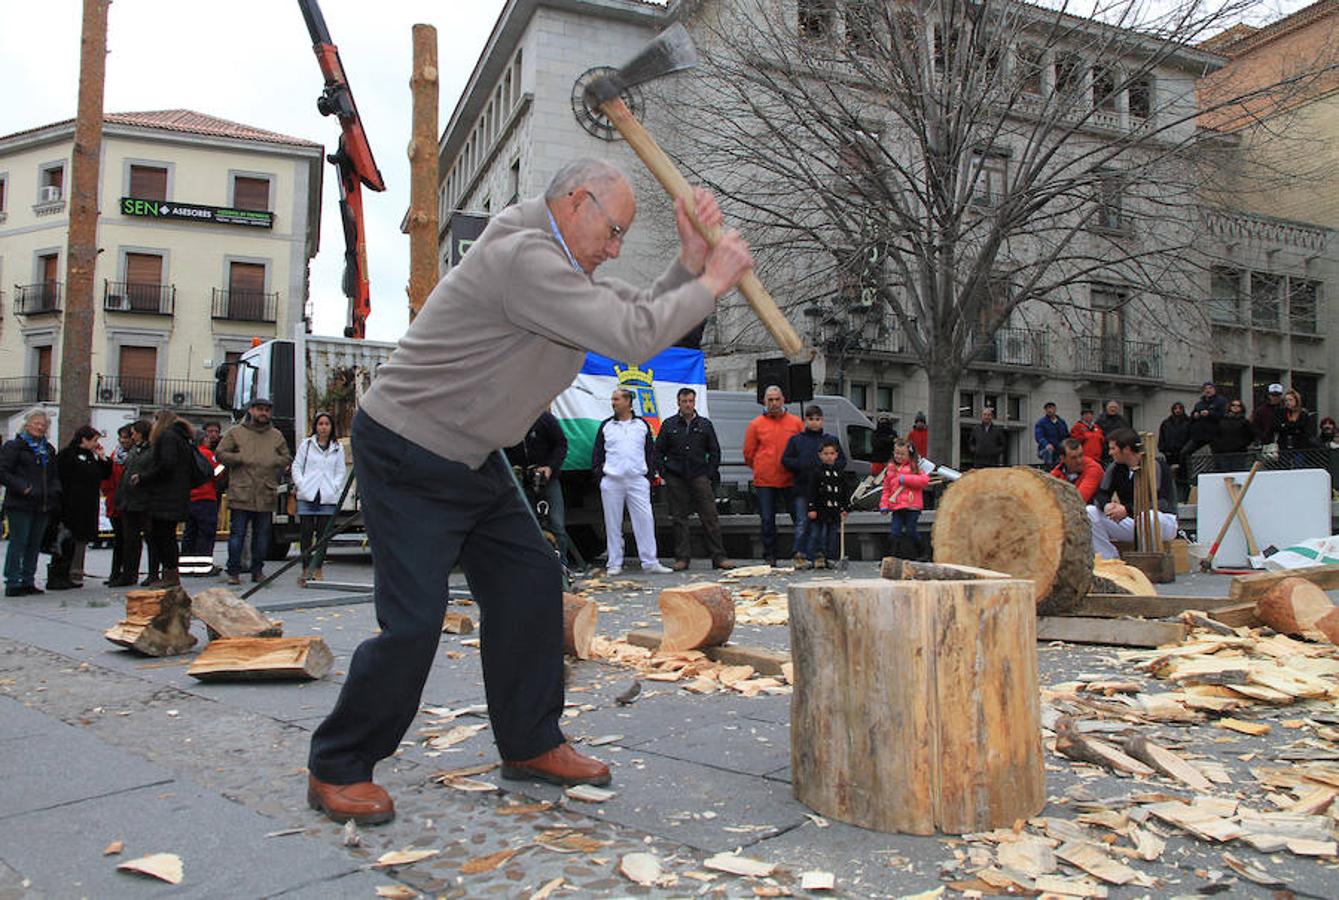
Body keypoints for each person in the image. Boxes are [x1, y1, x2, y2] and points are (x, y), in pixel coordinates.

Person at [305, 158, 753, 826]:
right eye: (613, 231)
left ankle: (530, 741)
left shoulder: (560, 264)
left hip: (471, 452)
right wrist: (714, 281)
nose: (615, 248)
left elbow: (630, 311)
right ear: (575, 202)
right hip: (408, 446)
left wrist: (689, 264)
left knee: (531, 580)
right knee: (416, 620)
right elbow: (632, 335)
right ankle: (338, 764)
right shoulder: (526, 258)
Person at [654, 387, 733, 571]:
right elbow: (658, 451)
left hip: (699, 476)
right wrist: (665, 473)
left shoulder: (705, 424)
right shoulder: (669, 425)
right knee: (679, 518)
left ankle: (719, 557)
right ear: (678, 403)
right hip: (676, 477)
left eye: (691, 401)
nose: (688, 405)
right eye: (684, 401)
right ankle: (682, 558)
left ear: (694, 402)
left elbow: (714, 451)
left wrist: (710, 472)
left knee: (710, 517)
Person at [215, 397, 292, 586]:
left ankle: (257, 571)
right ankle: (234, 571)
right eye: (259, 409)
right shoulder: (235, 432)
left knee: (262, 536)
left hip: (265, 493)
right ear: (251, 410)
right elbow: (220, 454)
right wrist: (240, 458)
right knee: (238, 535)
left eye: (266, 410)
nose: (263, 413)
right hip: (242, 492)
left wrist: (273, 461)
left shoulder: (276, 435)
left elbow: (286, 457)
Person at [593, 388, 669, 576]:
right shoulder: (606, 426)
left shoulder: (641, 425)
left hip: (637, 479)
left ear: (628, 401)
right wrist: (600, 476)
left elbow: (650, 452)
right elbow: (598, 453)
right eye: (613, 399)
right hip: (612, 480)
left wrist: (648, 476)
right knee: (612, 523)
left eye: (617, 399)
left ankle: (650, 562)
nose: (613, 402)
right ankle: (614, 562)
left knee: (645, 520)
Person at [1089, 428, 1178, 560]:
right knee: (1090, 511)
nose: (1110, 452)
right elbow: (1101, 494)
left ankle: (1148, 561)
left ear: (1126, 449)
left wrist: (1127, 509)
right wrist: (1106, 506)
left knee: (1148, 517)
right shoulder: (1115, 468)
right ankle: (1108, 559)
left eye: (1113, 448)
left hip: (1161, 521)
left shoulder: (1156, 466)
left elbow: (1162, 503)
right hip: (1132, 521)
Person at [130, 410, 196, 588]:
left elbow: (166, 465)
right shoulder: (181, 438)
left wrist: (144, 477)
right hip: (176, 494)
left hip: (165, 496)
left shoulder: (168, 437)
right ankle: (169, 573)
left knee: (163, 535)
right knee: (166, 535)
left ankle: (170, 574)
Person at [0, 409, 61, 597]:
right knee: (19, 542)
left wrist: (54, 490)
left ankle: (28, 580)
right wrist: (23, 487)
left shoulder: (48, 449)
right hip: (20, 503)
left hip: (42, 503)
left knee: (34, 544)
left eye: (43, 424)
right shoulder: (14, 447)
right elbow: (3, 472)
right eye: (36, 423)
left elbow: (54, 474)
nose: (40, 427)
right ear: (27, 424)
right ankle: (13, 581)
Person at [743, 385, 804, 567]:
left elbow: (802, 448)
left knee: (798, 518)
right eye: (770, 400)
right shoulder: (755, 425)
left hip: (791, 478)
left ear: (783, 400)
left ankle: (801, 553)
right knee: (767, 519)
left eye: (777, 399)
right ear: (764, 401)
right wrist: (761, 467)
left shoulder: (796, 423)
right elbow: (748, 453)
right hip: (765, 480)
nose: (774, 403)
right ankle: (770, 555)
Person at [504, 410, 572, 567]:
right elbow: (502, 449)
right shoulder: (508, 421)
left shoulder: (544, 418)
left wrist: (550, 467)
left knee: (556, 524)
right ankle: (532, 566)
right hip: (522, 479)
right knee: (527, 525)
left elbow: (561, 444)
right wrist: (511, 467)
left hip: (547, 478)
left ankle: (562, 566)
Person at [782, 404, 846, 569]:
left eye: (817, 419)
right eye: (811, 419)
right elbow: (786, 460)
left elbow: (842, 461)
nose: (814, 422)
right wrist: (802, 465)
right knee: (802, 523)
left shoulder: (830, 440)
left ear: (822, 421)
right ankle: (800, 554)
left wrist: (829, 467)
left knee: (823, 525)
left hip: (825, 492)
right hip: (803, 488)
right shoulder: (796, 440)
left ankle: (820, 555)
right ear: (805, 421)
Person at [48, 425, 111, 590]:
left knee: (81, 538)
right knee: (66, 539)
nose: (96, 444)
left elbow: (104, 474)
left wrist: (102, 458)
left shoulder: (90, 456)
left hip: (87, 505)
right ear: (84, 439)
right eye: (94, 440)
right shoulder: (67, 455)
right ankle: (60, 573)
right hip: (70, 504)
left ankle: (75, 570)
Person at [293, 411, 345, 585]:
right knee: (306, 534)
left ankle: (318, 568)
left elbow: (340, 471)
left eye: (327, 424)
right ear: (315, 426)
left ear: (331, 427)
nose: (323, 428)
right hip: (308, 494)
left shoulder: (337, 447)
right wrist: (302, 484)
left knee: (323, 535)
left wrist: (335, 487)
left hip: (326, 495)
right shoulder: (306, 445)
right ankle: (305, 569)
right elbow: (297, 466)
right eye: (320, 424)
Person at [110, 421, 154, 587]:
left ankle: (153, 573)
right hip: (128, 501)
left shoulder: (151, 451)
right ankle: (128, 574)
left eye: (134, 433)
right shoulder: (135, 450)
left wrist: (142, 479)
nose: (132, 436)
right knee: (129, 540)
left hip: (144, 501)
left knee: (151, 539)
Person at [879, 438, 930, 559]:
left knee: (911, 531)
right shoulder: (890, 469)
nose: (899, 456)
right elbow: (886, 489)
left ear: (909, 454)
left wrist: (905, 479)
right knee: (894, 532)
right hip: (896, 506)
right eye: (897, 453)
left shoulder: (915, 467)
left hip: (912, 506)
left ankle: (923, 554)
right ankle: (890, 557)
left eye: (902, 454)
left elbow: (924, 481)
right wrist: (884, 505)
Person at [180, 427, 221, 572]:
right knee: (206, 533)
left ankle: (186, 565)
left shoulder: (187, 454)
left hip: (189, 498)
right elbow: (217, 473)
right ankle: (203, 566)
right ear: (203, 439)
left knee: (189, 532)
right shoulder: (208, 454)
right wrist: (223, 464)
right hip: (206, 497)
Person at [805, 438, 849, 568]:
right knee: (817, 534)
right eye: (826, 454)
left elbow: (844, 492)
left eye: (832, 453)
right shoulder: (816, 472)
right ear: (820, 455)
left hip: (834, 509)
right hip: (820, 509)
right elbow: (811, 491)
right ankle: (814, 557)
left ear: (836, 455)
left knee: (832, 535)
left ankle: (830, 557)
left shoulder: (840, 473)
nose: (829, 457)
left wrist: (845, 508)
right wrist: (811, 508)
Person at [100, 425, 134, 586]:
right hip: (115, 500)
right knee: (119, 540)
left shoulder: (134, 456)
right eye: (121, 437)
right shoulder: (115, 455)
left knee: (128, 540)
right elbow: (108, 477)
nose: (123, 440)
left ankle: (127, 573)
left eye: (126, 437)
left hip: (128, 502)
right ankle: (115, 572)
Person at [1181, 381, 1226, 479]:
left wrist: (1209, 414)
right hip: (1199, 435)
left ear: (1215, 390)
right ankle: (1186, 477)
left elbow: (1222, 415)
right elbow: (1191, 418)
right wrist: (1195, 416)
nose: (1208, 390)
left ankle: (1220, 475)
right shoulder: (1199, 403)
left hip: (1214, 435)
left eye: (1210, 388)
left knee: (1217, 456)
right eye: (1205, 388)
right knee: (1184, 453)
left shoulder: (1220, 401)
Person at [1050, 437, 1104, 503]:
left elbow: (1079, 499)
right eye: (1073, 458)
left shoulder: (1093, 469)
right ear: (1063, 458)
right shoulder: (1057, 471)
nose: (1079, 461)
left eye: (1081, 455)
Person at [1158, 402, 1192, 500]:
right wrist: (1164, 449)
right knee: (1170, 476)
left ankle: (1184, 497)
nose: (1177, 411)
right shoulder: (1166, 423)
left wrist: (1186, 450)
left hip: (1183, 454)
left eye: (1179, 408)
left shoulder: (1188, 422)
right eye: (1175, 408)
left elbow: (1191, 437)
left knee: (1184, 477)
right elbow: (1162, 437)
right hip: (1170, 454)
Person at [1211, 398, 1254, 472]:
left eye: (1238, 405)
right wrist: (1217, 447)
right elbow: (1214, 435)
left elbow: (1250, 436)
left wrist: (1242, 444)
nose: (1235, 407)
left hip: (1239, 453)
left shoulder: (1245, 422)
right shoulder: (1221, 421)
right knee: (1224, 474)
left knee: (1239, 473)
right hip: (1222, 453)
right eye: (1233, 405)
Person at [1275, 388, 1316, 467]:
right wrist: (1293, 426)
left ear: (1296, 400)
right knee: (1284, 466)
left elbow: (1304, 429)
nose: (1288, 402)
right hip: (1284, 446)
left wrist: (1287, 425)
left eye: (1290, 400)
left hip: (1299, 446)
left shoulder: (1303, 414)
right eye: (1286, 400)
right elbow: (1278, 427)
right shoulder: (1281, 413)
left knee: (1299, 465)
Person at [1034, 402, 1068, 468]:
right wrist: (1046, 444)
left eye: (1051, 408)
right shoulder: (1041, 423)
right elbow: (1039, 437)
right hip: (1046, 450)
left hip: (1059, 449)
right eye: (1047, 409)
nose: (1049, 410)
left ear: (1055, 409)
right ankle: (1049, 468)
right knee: (1049, 451)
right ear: (1045, 410)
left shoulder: (1061, 422)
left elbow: (1066, 435)